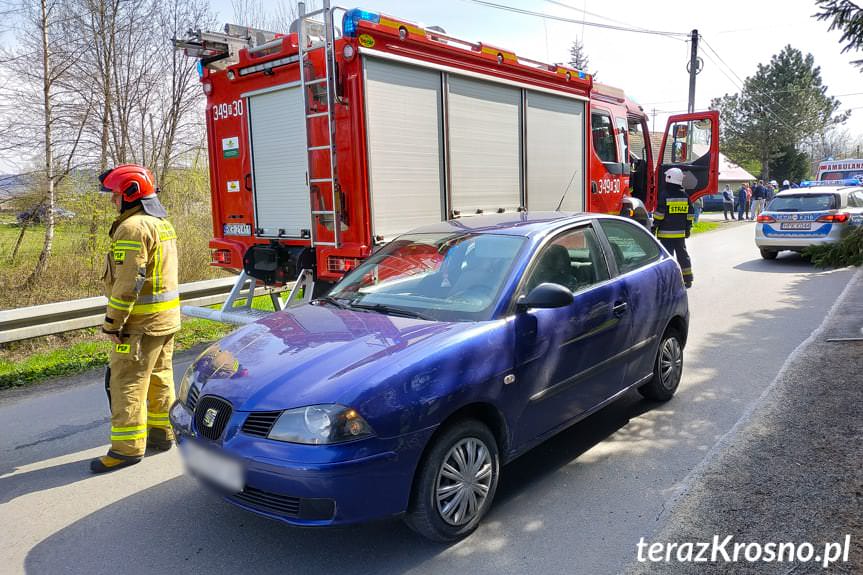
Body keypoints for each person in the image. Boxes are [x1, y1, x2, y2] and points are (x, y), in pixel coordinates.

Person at [91, 164, 180, 473]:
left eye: (115, 195)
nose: (112, 201)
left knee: (127, 382)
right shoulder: (160, 223)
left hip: (138, 325)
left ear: (129, 194)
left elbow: (128, 283)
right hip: (165, 320)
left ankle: (126, 449)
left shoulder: (132, 228)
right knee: (159, 377)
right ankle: (161, 433)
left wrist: (113, 323)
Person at [653, 167, 694, 288]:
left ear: (668, 179)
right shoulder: (685, 195)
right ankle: (688, 279)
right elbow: (690, 214)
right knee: (683, 255)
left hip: (666, 234)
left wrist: (654, 226)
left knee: (668, 258)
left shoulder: (665, 194)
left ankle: (669, 281)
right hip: (680, 233)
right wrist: (688, 228)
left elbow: (660, 214)